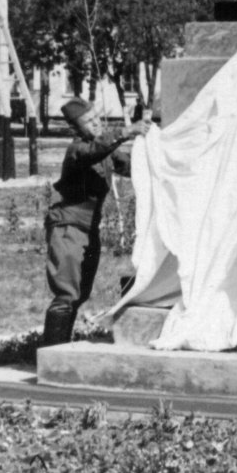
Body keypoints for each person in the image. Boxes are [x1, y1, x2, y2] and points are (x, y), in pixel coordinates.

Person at [42, 98, 150, 346]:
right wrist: (126, 131)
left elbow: (132, 165)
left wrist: (154, 148)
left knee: (80, 293)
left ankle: (61, 350)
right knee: (67, 293)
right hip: (68, 226)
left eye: (96, 118)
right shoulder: (78, 150)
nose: (96, 124)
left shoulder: (105, 151)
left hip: (89, 229)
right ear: (76, 129)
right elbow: (95, 151)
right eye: (88, 122)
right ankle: (51, 355)